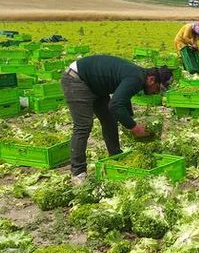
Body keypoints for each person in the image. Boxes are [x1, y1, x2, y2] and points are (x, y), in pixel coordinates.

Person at [61, 55, 173, 185]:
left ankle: (115, 156)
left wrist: (131, 119)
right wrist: (134, 127)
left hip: (96, 85)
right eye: (159, 88)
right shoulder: (136, 78)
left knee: (109, 120)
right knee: (83, 125)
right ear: (151, 80)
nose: (156, 93)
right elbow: (115, 105)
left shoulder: (138, 76)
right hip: (77, 80)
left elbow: (123, 98)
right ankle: (78, 172)